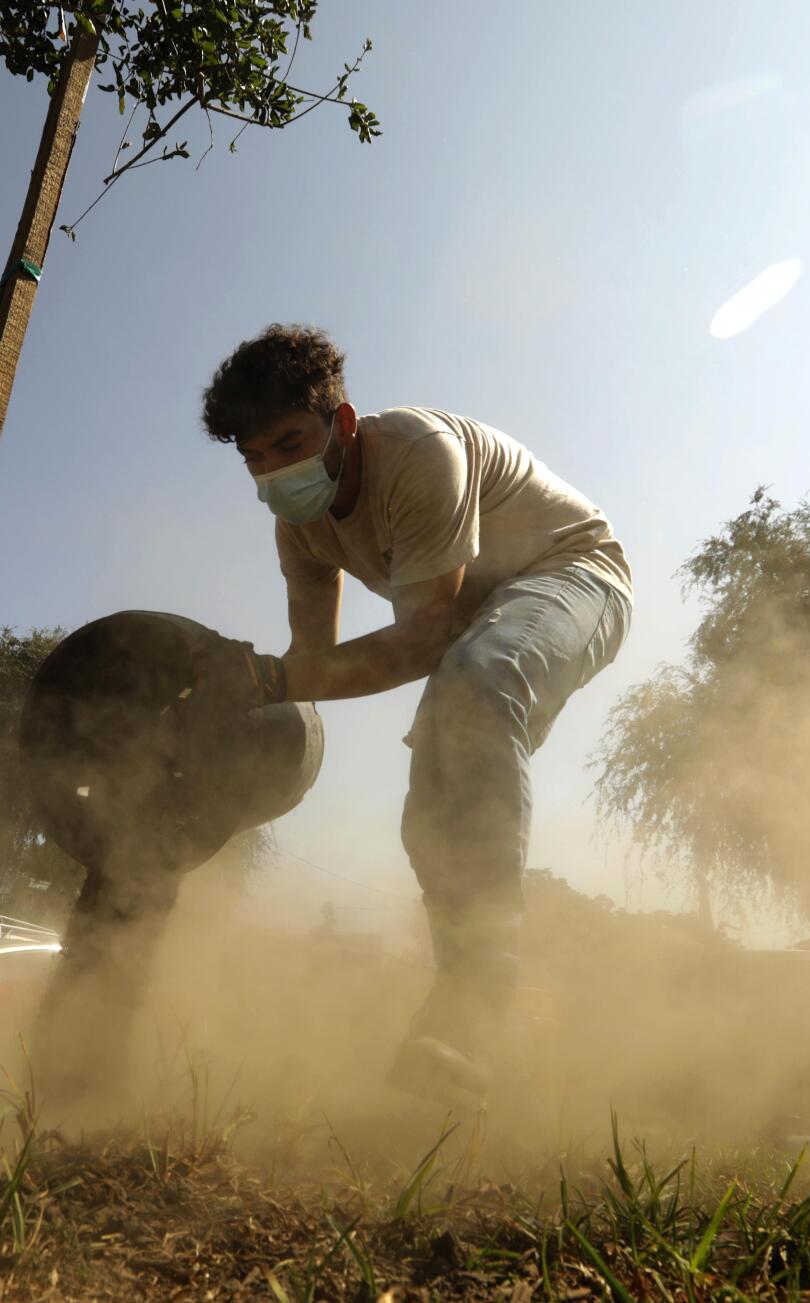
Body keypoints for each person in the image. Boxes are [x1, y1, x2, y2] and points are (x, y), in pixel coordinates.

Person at [189, 324, 632, 1107]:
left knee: (475, 684)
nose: (273, 471)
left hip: (572, 571)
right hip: (470, 623)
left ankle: (481, 994)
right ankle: (461, 1018)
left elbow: (422, 638)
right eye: (253, 457)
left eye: (289, 441)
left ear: (344, 422)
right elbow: (310, 664)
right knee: (433, 788)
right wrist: (218, 718)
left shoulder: (421, 456)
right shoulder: (299, 526)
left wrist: (265, 676)